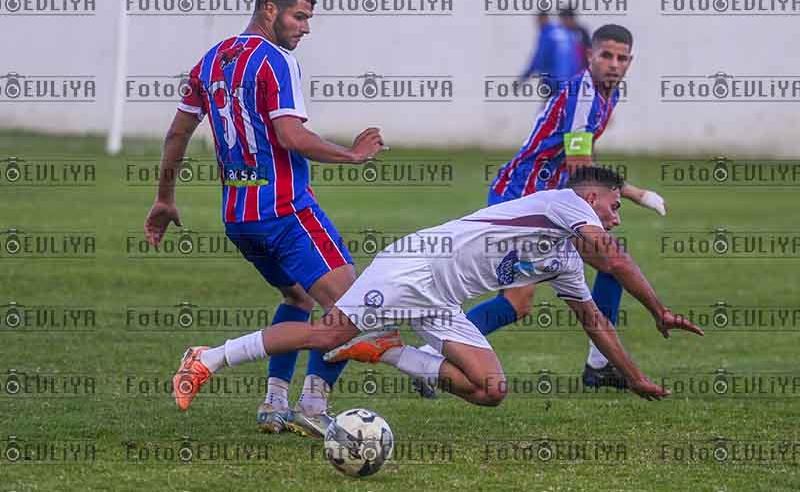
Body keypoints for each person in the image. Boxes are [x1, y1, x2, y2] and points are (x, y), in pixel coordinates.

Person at [172, 167, 704, 412]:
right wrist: (659, 310)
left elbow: (595, 321)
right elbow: (615, 259)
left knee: (491, 391)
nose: (616, 218)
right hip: (412, 269)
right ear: (591, 198)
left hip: (441, 302)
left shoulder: (565, 258)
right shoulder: (564, 202)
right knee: (324, 334)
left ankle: (386, 350)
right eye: (614, 207)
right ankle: (208, 357)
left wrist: (635, 377)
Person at [143, 0, 386, 437]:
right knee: (353, 309)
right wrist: (352, 154)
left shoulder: (211, 61)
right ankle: (313, 403)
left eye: (308, 19)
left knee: (298, 298)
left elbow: (177, 133)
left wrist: (164, 198)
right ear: (269, 8)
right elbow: (290, 135)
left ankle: (274, 402)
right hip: (285, 210)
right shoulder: (276, 60)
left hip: (240, 218)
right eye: (299, 16)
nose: (305, 28)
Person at [446, 24, 668, 391]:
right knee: (595, 269)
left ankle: (599, 366)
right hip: (521, 199)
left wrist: (626, 193)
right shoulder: (583, 95)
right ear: (590, 56)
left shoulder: (607, 94)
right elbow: (581, 168)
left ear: (631, 61)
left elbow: (583, 159)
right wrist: (623, 197)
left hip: (548, 201)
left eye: (622, 58)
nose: (614, 64)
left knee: (531, 297)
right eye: (606, 55)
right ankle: (431, 354)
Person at [519, 11, 580, 97]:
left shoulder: (547, 35)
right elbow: (577, 58)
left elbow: (538, 60)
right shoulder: (567, 33)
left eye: (538, 21)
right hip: (571, 82)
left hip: (553, 83)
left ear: (543, 19)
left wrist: (523, 78)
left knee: (551, 104)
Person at [559, 7, 592, 72]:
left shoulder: (581, 32)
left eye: (565, 19)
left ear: (571, 19)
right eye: (562, 20)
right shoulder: (560, 33)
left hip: (580, 70)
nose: (563, 22)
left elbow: (588, 50)